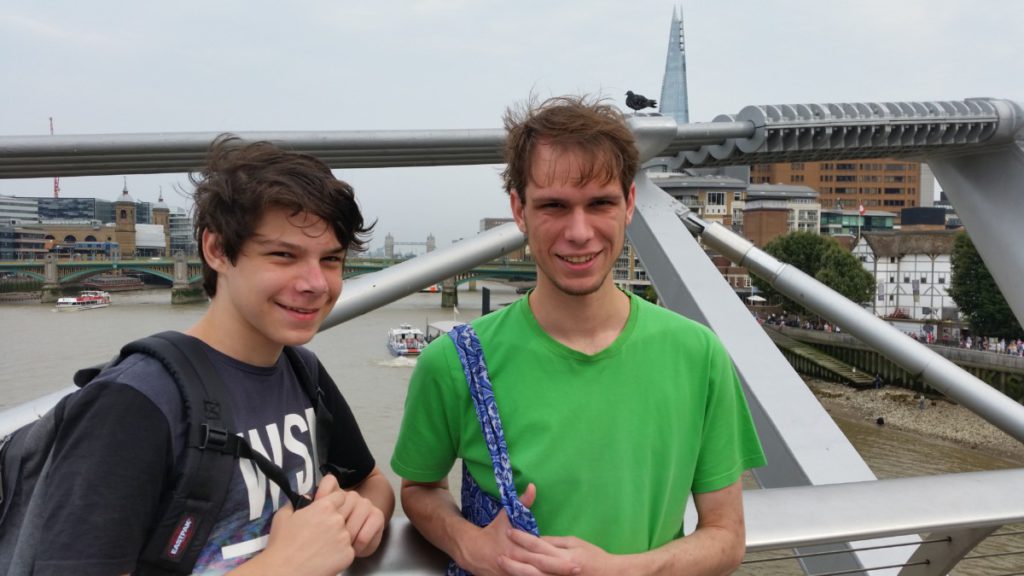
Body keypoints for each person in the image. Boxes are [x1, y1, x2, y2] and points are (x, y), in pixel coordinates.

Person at [392, 96, 766, 575]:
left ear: (629, 203)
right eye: (553, 206)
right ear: (519, 210)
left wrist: (620, 570)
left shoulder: (699, 355)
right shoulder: (450, 363)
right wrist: (468, 542)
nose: (579, 231)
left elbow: (727, 537)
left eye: (600, 204)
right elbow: (419, 490)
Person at [33, 135, 394, 575]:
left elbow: (371, 482)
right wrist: (280, 568)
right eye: (283, 255)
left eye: (332, 260)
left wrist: (364, 514)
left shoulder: (302, 371)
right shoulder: (133, 404)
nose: (316, 283)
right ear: (217, 250)